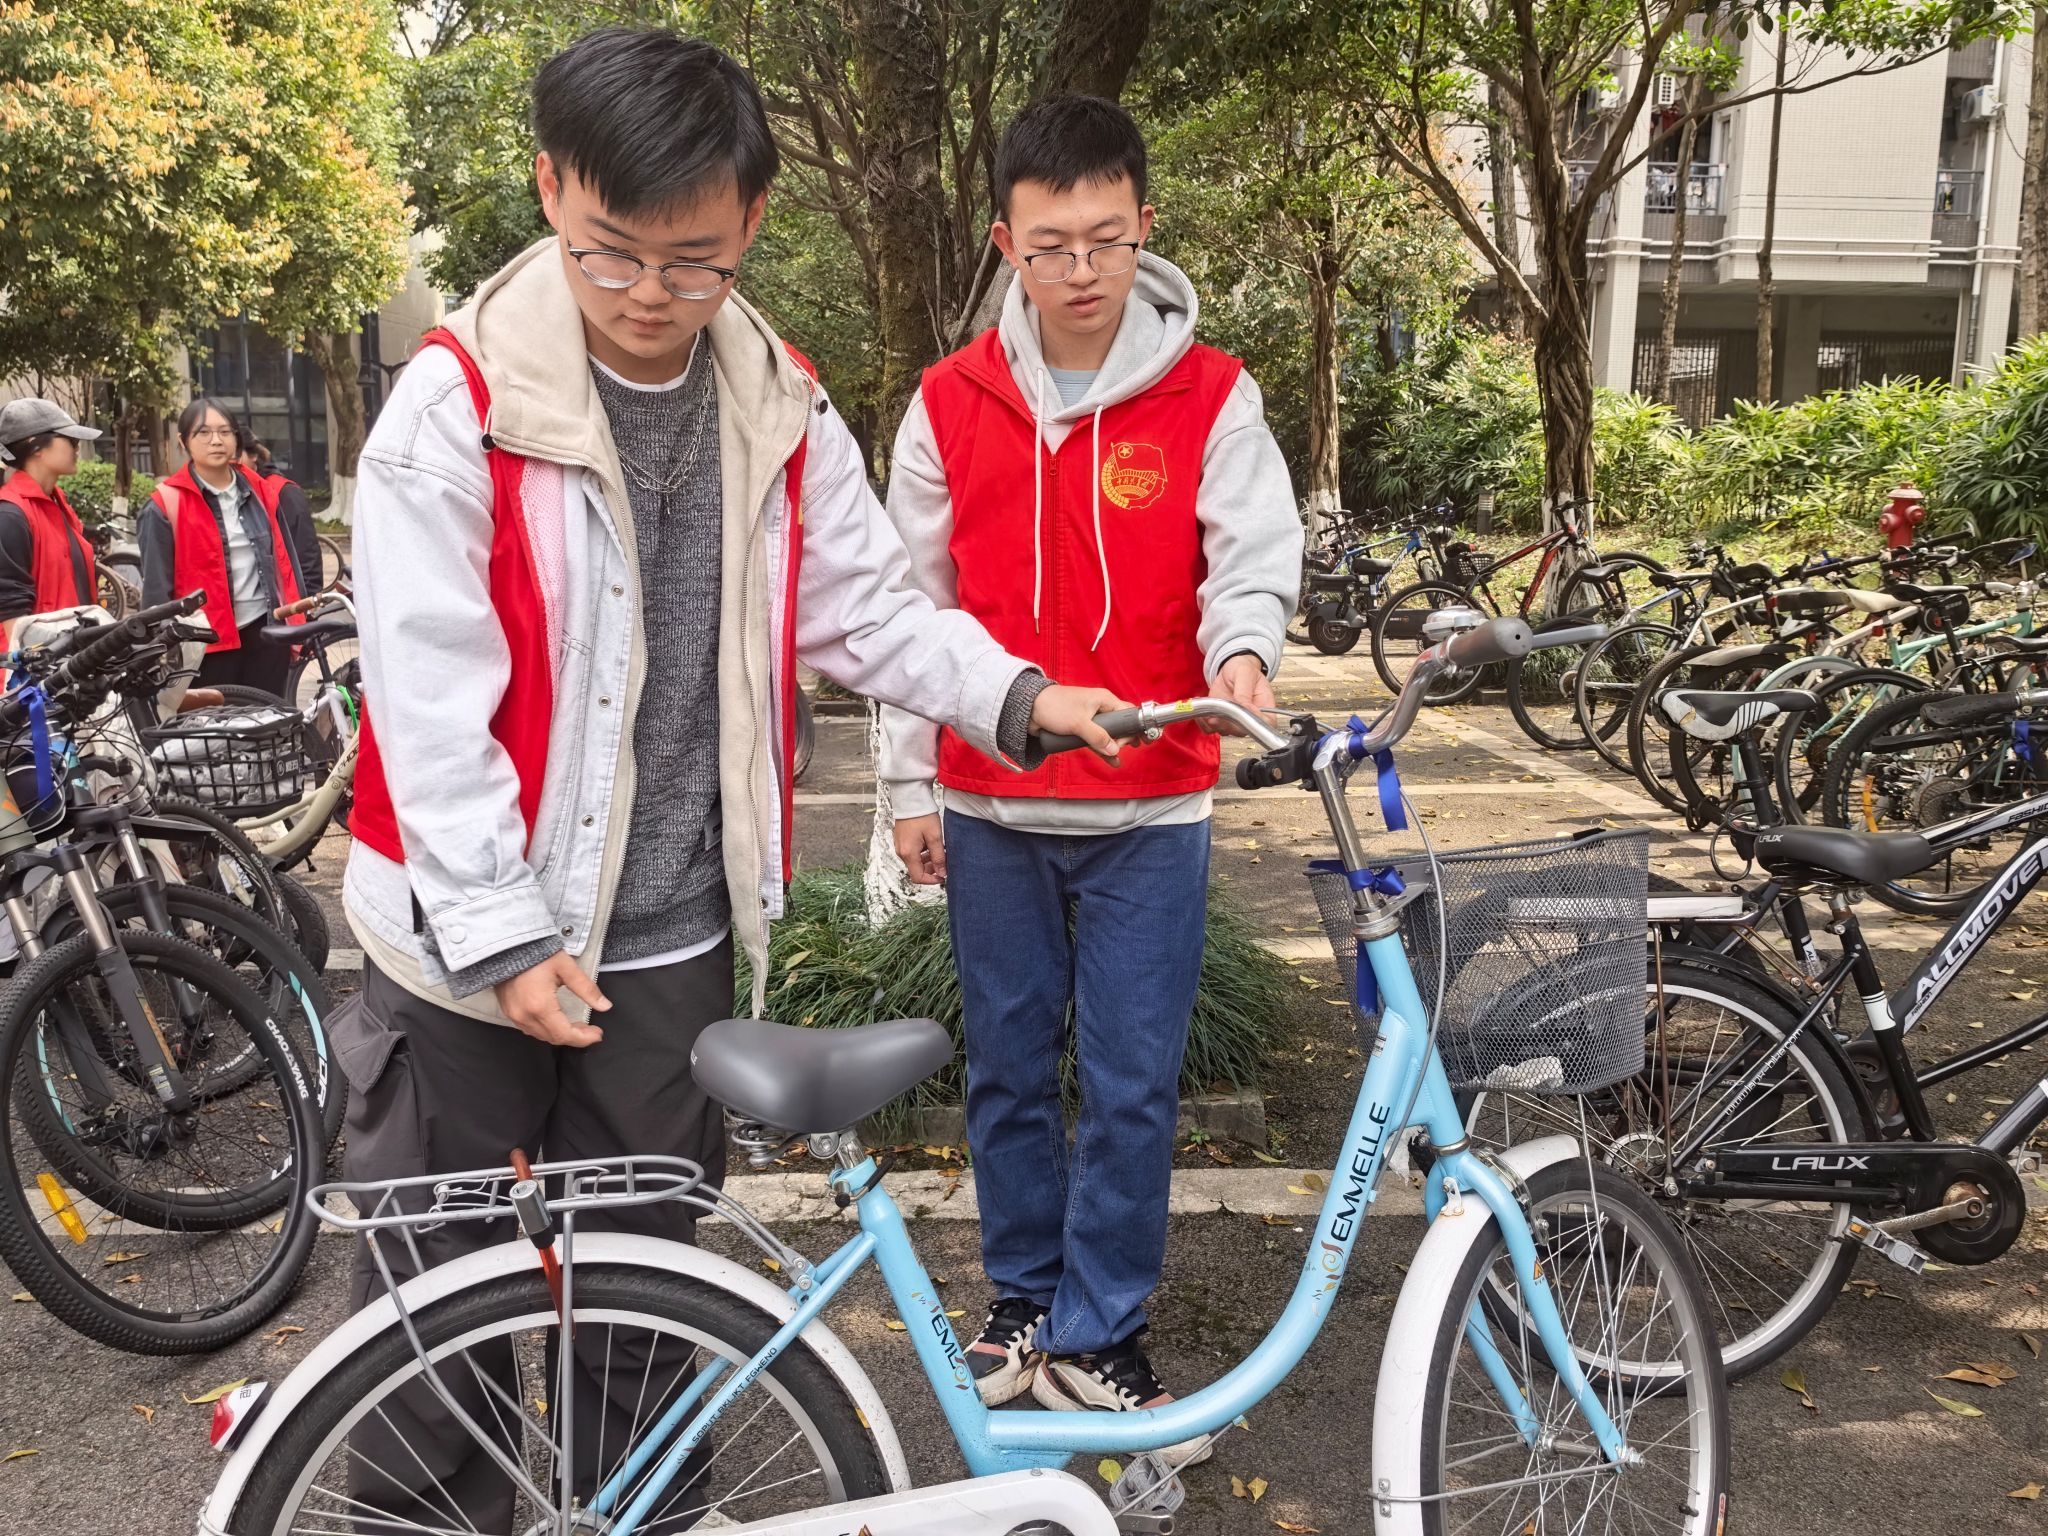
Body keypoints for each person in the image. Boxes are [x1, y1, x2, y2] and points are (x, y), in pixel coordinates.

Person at [337, 27, 1122, 1528]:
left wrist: (1023, 696)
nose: (648, 300)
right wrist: (504, 933)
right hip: (456, 955)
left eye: (691, 264)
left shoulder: (779, 401)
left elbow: (872, 611)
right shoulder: (453, 407)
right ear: (551, 187)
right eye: (608, 255)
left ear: (750, 225)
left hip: (670, 949)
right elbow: (429, 700)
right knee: (438, 1340)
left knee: (651, 1325)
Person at [879, 95, 1302, 1462]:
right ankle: (1019, 1302)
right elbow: (907, 613)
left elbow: (1247, 557)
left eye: (1105, 239)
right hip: (988, 807)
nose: (1079, 269)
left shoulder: (1211, 392)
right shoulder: (950, 403)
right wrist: (900, 790)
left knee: (1128, 1080)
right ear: (1005, 241)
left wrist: (1243, 658)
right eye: (1049, 241)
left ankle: (1104, 1329)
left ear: (1144, 232)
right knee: (1007, 1069)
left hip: (1152, 808)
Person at [140, 398, 306, 693]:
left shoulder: (259, 490)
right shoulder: (164, 505)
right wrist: (160, 651)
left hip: (265, 633)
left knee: (270, 728)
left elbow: (284, 560)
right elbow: (156, 593)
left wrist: (296, 622)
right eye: (203, 433)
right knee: (216, 735)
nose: (216, 441)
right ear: (183, 441)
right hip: (205, 647)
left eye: (225, 432)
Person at [0, 399, 100, 624]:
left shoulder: (57, 503)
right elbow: (10, 617)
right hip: (39, 657)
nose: (77, 448)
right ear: (35, 446)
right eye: (71, 439)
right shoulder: (11, 516)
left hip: (74, 653)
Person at [236, 428, 323, 599]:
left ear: (253, 455)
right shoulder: (227, 495)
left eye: (236, 456)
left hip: (286, 603)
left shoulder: (283, 492)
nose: (230, 464)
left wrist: (308, 602)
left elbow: (307, 554)